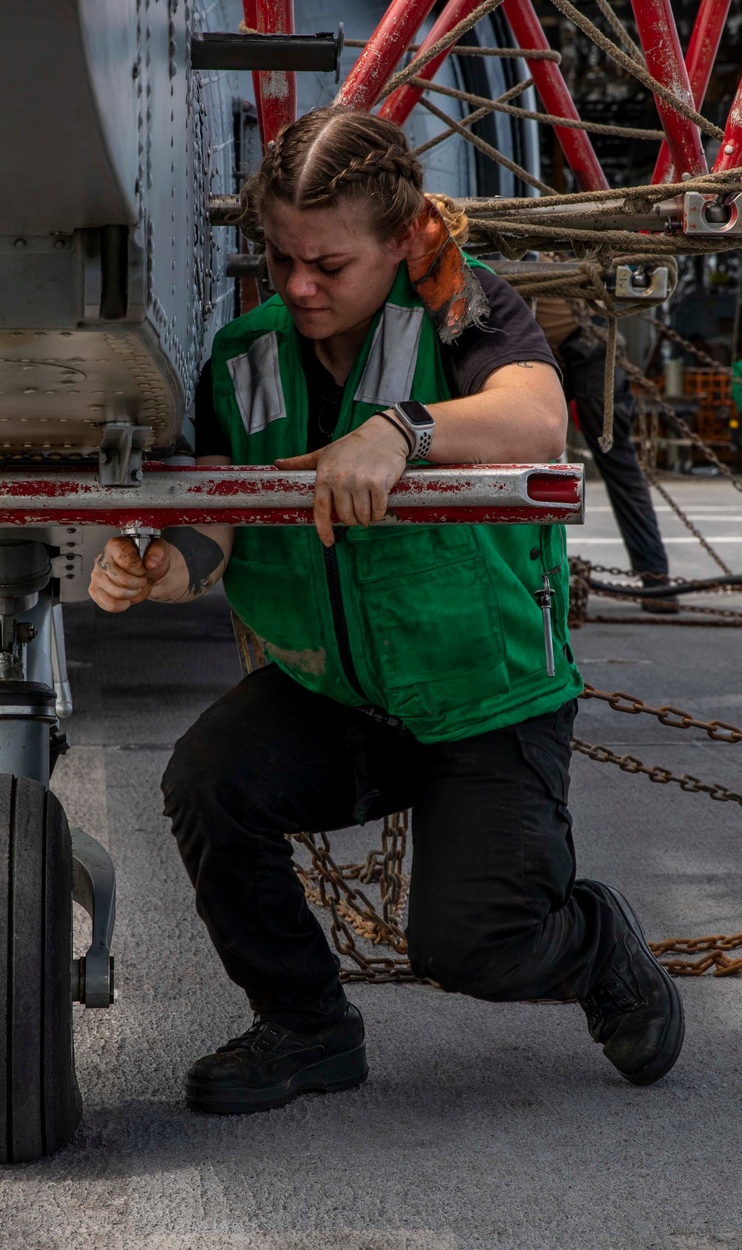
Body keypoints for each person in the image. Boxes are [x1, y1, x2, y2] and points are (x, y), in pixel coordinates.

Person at [89, 107, 684, 1115]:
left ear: (401, 240)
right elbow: (215, 525)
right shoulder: (243, 357)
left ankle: (595, 945)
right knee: (209, 781)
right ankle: (307, 1026)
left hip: (484, 695)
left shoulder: (460, 310)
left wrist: (400, 431)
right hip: (341, 695)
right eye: (281, 258)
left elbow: (538, 414)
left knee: (474, 947)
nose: (301, 287)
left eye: (330, 263)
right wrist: (158, 568)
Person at [536, 297, 676, 613]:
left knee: (618, 461)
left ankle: (657, 579)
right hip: (538, 347)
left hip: (583, 343)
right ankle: (534, 578)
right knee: (527, 462)